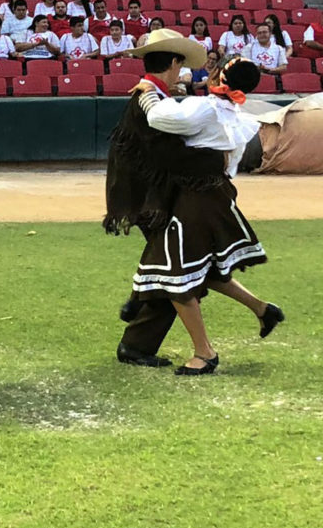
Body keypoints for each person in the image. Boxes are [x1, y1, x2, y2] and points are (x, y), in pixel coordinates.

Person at [105, 31, 279, 373]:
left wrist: (147, 95)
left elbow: (160, 127)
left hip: (193, 199)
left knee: (174, 273)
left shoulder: (194, 106)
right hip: (203, 195)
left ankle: (199, 350)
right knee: (196, 268)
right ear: (173, 63)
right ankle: (261, 309)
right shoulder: (231, 115)